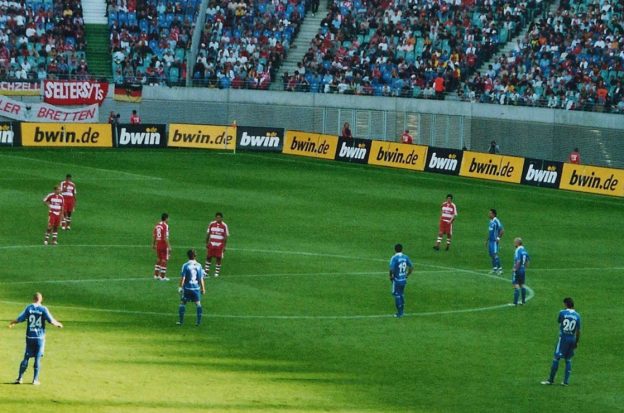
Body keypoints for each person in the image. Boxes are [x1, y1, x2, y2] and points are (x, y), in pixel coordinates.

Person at [8, 292, 63, 385]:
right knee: (37, 358)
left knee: (26, 357)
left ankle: (19, 378)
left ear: (33, 299)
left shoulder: (29, 308)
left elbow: (20, 318)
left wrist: (13, 322)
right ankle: (35, 380)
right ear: (41, 299)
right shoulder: (43, 309)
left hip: (30, 337)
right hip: (40, 338)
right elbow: (51, 321)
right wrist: (59, 324)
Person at [541, 297, 581, 386]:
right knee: (568, 360)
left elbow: (559, 321)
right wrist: (577, 342)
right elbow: (578, 331)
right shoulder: (578, 315)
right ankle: (565, 382)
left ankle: (550, 380)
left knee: (556, 358)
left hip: (563, 338)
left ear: (566, 304)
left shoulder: (562, 312)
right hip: (572, 339)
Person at [177, 249, 206, 326]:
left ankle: (181, 321)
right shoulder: (199, 265)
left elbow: (183, 277)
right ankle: (198, 322)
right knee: (198, 304)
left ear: (188, 256)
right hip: (196, 288)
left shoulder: (185, 265)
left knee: (182, 303)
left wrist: (180, 287)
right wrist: (203, 288)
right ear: (195, 256)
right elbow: (201, 278)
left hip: (187, 288)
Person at [389, 243, 413, 318]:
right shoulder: (405, 257)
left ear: (395, 249)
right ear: (402, 249)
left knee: (397, 295)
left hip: (397, 280)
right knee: (401, 294)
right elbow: (411, 267)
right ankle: (402, 311)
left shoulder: (394, 258)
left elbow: (391, 269)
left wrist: (391, 276)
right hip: (403, 279)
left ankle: (399, 313)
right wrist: (407, 275)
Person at [205, 212, 229, 277]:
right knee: (208, 257)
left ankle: (216, 273)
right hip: (212, 243)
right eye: (217, 217)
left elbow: (226, 236)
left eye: (219, 217)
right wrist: (207, 243)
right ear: (215, 218)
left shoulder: (224, 225)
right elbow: (208, 233)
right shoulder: (212, 224)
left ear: (222, 218)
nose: (218, 219)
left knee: (218, 258)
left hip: (219, 244)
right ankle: (206, 272)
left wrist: (224, 246)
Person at [152, 213, 171, 281]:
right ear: (166, 218)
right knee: (164, 260)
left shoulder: (157, 225)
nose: (168, 219)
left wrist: (153, 244)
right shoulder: (165, 225)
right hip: (163, 244)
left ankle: (156, 275)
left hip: (158, 244)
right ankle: (162, 277)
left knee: (159, 259)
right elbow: (165, 237)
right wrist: (169, 246)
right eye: (168, 218)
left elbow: (154, 235)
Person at [511, 237, 530, 305]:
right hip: (522, 269)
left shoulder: (518, 250)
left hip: (518, 269)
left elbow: (518, 261)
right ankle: (523, 302)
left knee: (516, 285)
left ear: (517, 243)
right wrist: (524, 267)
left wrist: (515, 268)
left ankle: (515, 303)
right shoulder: (524, 250)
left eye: (514, 242)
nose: (514, 244)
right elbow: (528, 261)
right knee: (522, 285)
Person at [486, 208, 504, 274]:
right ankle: (495, 268)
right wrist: (487, 240)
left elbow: (502, 230)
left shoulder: (496, 221)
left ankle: (500, 269)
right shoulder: (491, 221)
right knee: (491, 254)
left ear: (493, 214)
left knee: (495, 254)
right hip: (490, 241)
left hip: (494, 241)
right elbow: (490, 231)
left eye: (490, 213)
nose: (489, 214)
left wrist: (498, 238)